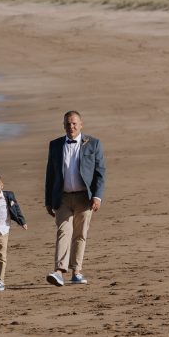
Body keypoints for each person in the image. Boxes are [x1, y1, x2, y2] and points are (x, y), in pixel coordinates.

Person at [44, 111, 107, 287]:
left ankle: (76, 272)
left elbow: (100, 173)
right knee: (63, 231)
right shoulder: (55, 145)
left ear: (81, 124)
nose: (70, 127)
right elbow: (50, 174)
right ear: (63, 125)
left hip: (84, 198)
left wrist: (97, 196)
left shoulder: (93, 144)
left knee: (80, 235)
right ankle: (58, 272)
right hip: (62, 197)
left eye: (73, 123)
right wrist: (48, 200)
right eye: (67, 124)